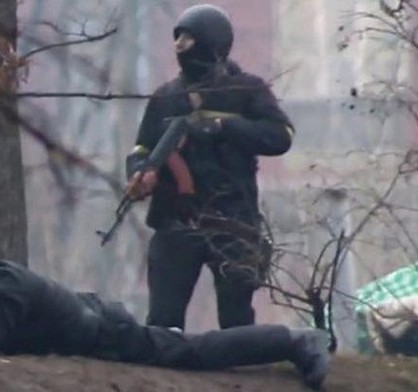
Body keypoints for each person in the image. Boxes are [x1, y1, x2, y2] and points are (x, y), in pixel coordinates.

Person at [0, 252, 329, 390]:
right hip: (94, 321)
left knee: (195, 352)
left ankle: (294, 340)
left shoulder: (4, 290)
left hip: (106, 334)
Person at [125, 4, 294, 330]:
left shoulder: (246, 91)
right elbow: (142, 148)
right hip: (176, 219)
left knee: (236, 321)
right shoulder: (166, 98)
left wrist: (223, 128)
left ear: (208, 42)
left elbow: (280, 136)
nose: (178, 46)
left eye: (187, 39)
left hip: (232, 220)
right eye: (177, 38)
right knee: (163, 323)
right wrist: (138, 172)